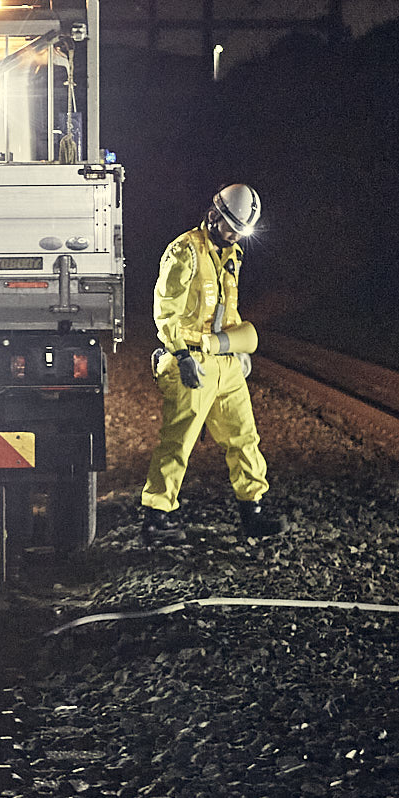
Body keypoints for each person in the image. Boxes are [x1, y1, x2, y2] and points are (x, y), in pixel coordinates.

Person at [138, 183, 287, 541]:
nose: (235, 234)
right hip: (193, 360)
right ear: (214, 215)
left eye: (241, 230)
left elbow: (227, 309)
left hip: (225, 361)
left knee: (244, 437)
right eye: (231, 226)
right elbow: (166, 309)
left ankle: (253, 510)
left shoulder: (232, 254)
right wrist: (180, 355)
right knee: (179, 441)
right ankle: (156, 516)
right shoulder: (184, 251)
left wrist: (238, 349)